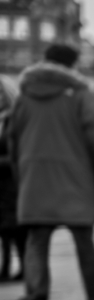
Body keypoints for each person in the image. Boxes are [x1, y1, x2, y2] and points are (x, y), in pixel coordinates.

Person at [7, 44, 94, 300]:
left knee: (36, 244)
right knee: (85, 243)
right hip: (76, 180)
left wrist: (22, 175)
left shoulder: (23, 96)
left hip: (35, 178)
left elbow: (12, 140)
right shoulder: (80, 95)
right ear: (72, 65)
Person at [0, 75, 25, 283]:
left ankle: (24, 268)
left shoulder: (15, 118)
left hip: (13, 181)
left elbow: (20, 152)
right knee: (3, 231)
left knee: (16, 229)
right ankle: (5, 266)